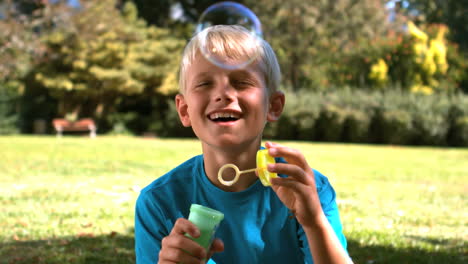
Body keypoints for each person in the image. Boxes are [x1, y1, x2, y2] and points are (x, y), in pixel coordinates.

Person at [135, 25, 352, 264]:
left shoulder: (305, 190)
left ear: (273, 105)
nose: (223, 94)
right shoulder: (159, 202)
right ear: (184, 110)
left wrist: (314, 222)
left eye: (241, 82)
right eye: (205, 83)